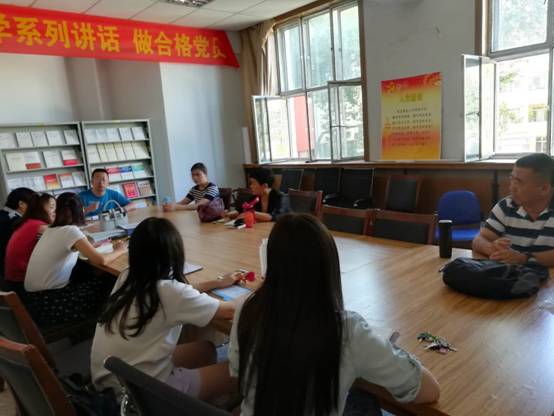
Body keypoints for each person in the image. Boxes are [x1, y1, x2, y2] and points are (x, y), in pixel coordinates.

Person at [229, 214, 440, 416]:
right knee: (365, 400)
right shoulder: (347, 331)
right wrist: (382, 348)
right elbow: (429, 390)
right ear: (329, 266)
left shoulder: (247, 310)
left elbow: (237, 373)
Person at [91, 217, 240, 402]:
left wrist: (218, 283)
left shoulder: (127, 276)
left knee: (206, 350)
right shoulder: (169, 293)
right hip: (142, 397)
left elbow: (180, 294)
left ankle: (200, 403)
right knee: (238, 372)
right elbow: (230, 310)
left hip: (112, 383)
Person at [24, 193, 127, 326]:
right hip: (51, 304)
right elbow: (101, 260)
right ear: (80, 211)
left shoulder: (51, 229)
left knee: (94, 276)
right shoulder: (70, 231)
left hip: (34, 302)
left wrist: (88, 246)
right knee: (112, 281)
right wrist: (120, 250)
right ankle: (109, 326)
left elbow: (70, 246)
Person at [472, 153, 554, 267]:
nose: (511, 187)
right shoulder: (506, 206)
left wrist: (523, 259)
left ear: (544, 188)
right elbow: (479, 239)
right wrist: (493, 248)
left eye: (519, 182)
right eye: (512, 179)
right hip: (512, 274)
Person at [4, 193, 56, 295]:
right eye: (52, 207)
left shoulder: (28, 222)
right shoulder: (40, 227)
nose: (56, 211)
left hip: (14, 280)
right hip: (24, 284)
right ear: (39, 209)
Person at [0, 187, 35, 281]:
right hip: (8, 271)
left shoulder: (3, 214)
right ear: (21, 204)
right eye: (33, 205)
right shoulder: (15, 221)